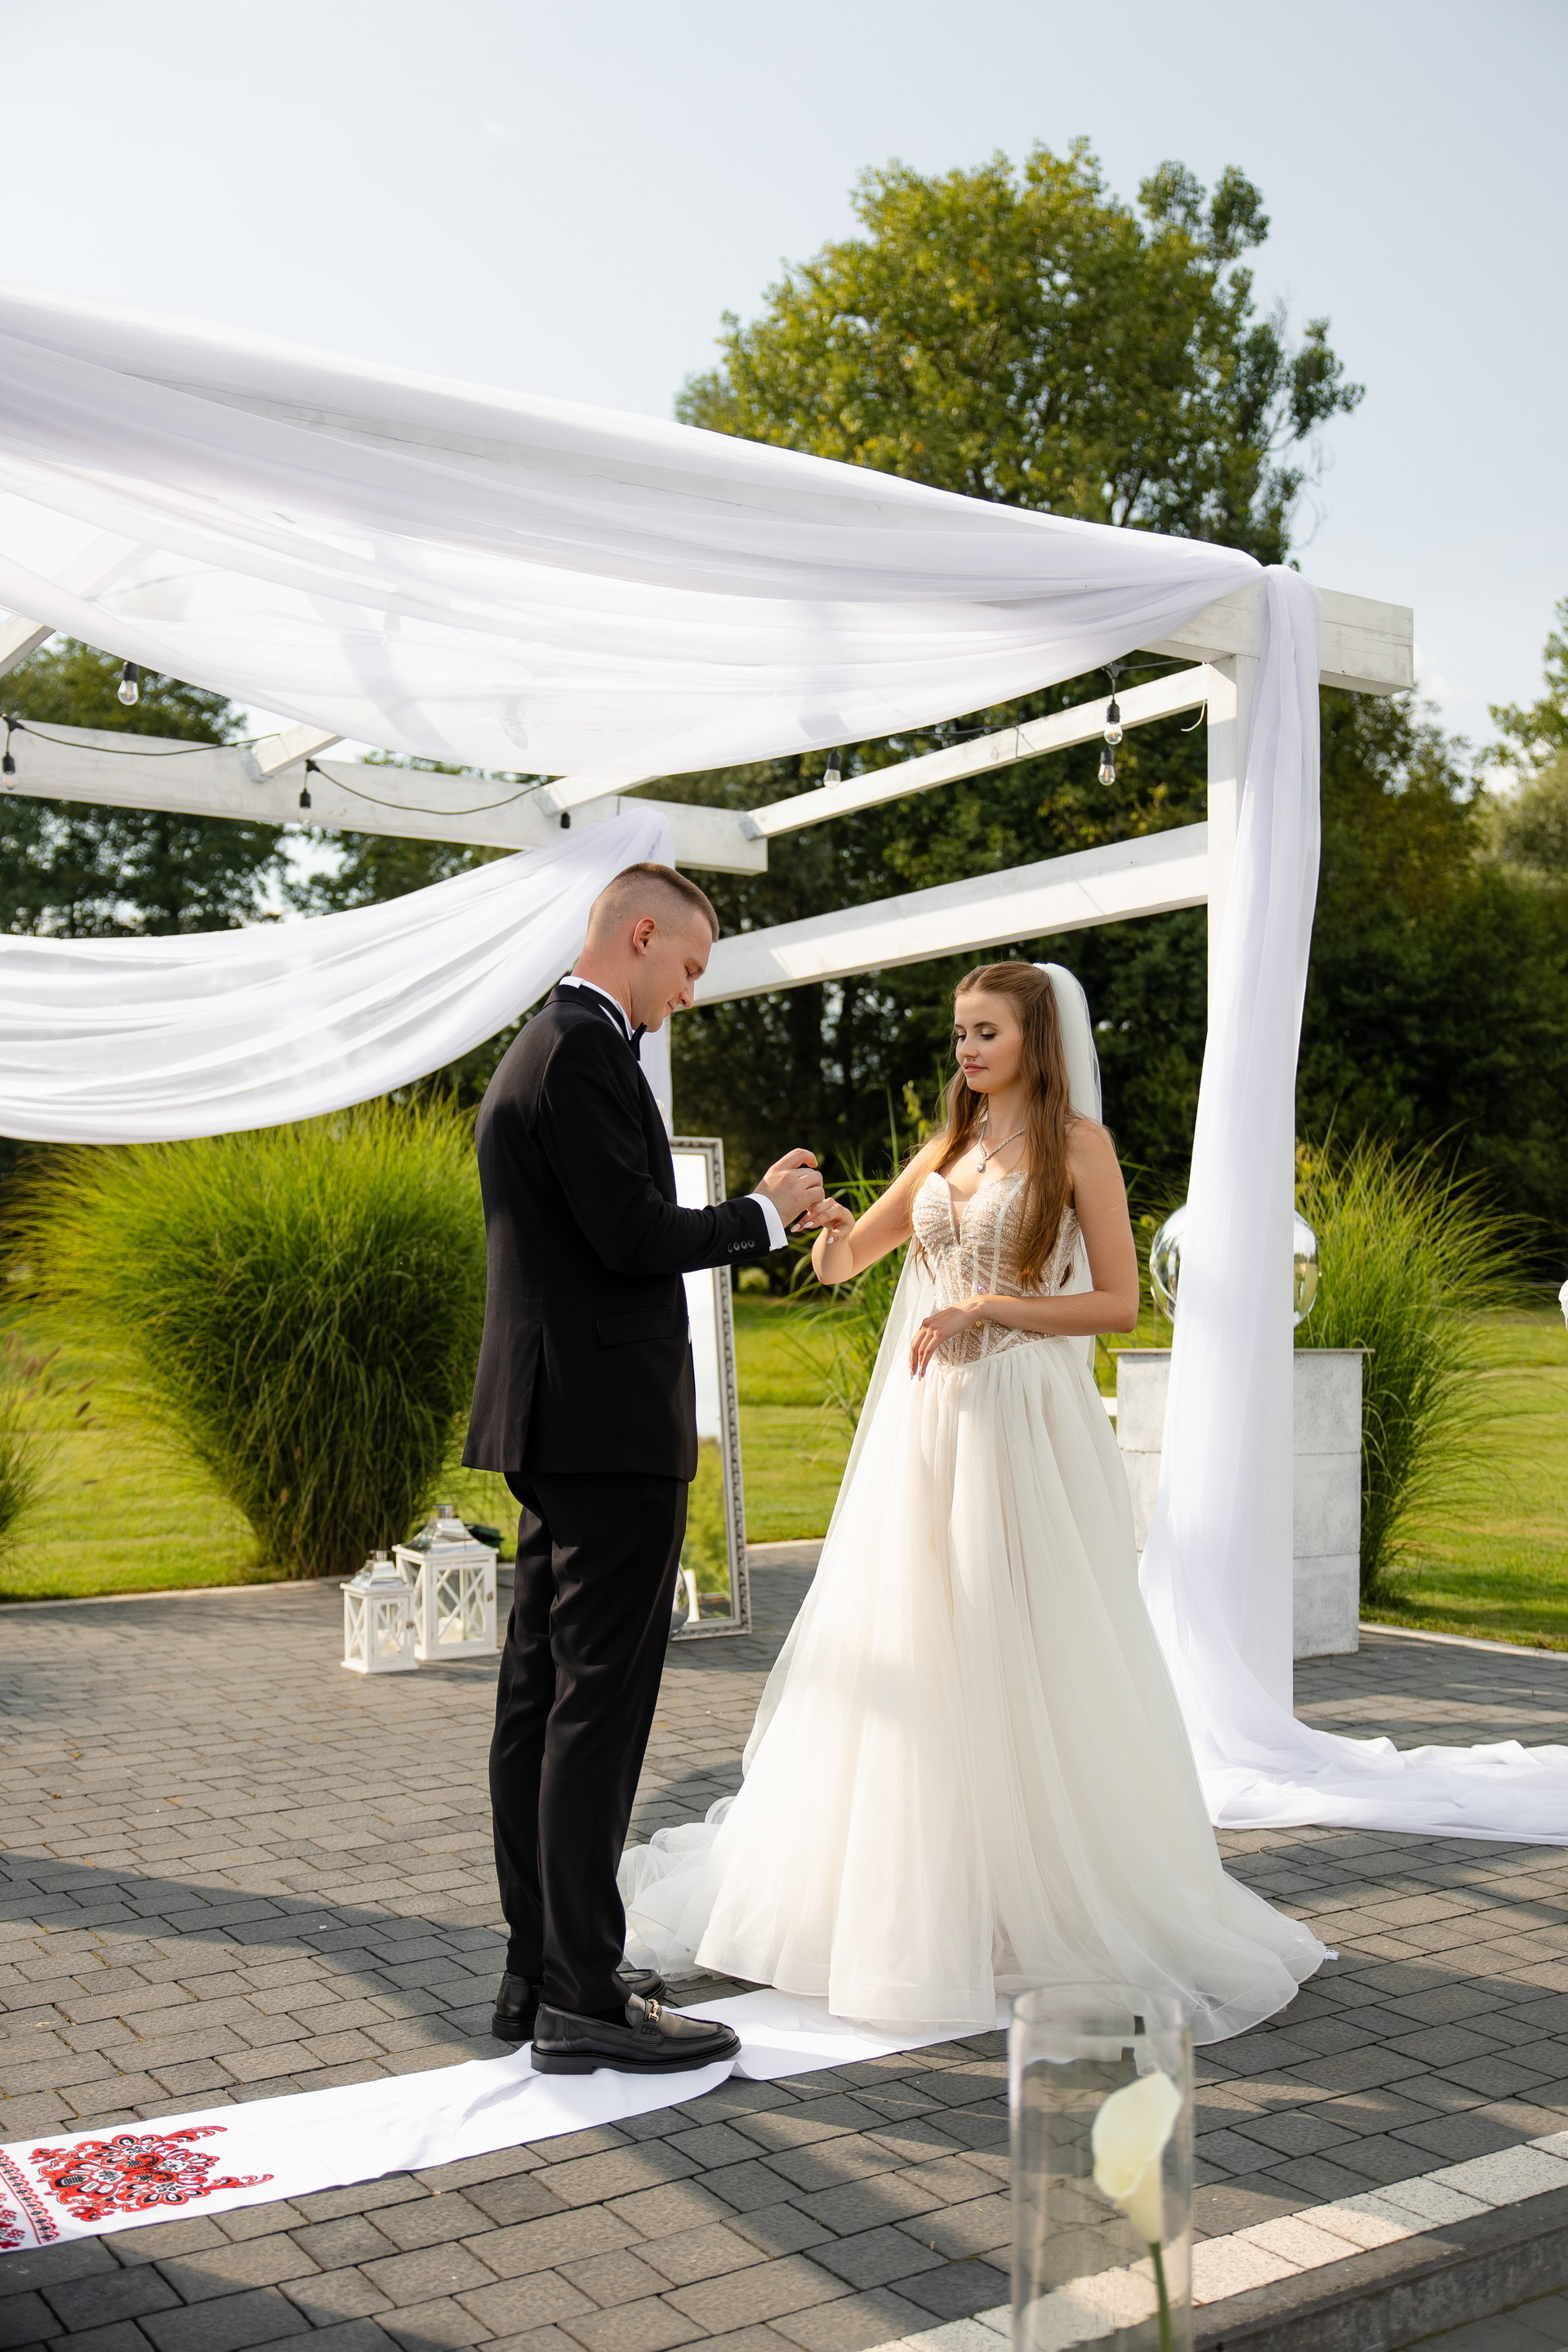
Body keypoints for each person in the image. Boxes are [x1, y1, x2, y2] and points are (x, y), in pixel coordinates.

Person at [621, 961, 1329, 2043]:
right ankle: (918, 1896)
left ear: (1035, 1036)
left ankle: (1030, 1898)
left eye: (986, 1031)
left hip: (1022, 1422)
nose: (967, 1050)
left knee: (1018, 1646)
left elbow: (1120, 1304)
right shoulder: (949, 1147)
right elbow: (845, 1263)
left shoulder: (1078, 1148)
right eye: (959, 1032)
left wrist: (992, 1307)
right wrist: (825, 1222)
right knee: (923, 1647)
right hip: (929, 1427)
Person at [463, 860, 828, 2074]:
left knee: (542, 1703)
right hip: (606, 1430)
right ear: (639, 934)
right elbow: (630, 1236)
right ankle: (581, 1995)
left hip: (561, 1423)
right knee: (595, 1714)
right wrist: (764, 1215)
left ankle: (542, 1969)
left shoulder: (551, 1047)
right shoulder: (580, 1052)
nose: (689, 993)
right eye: (688, 966)